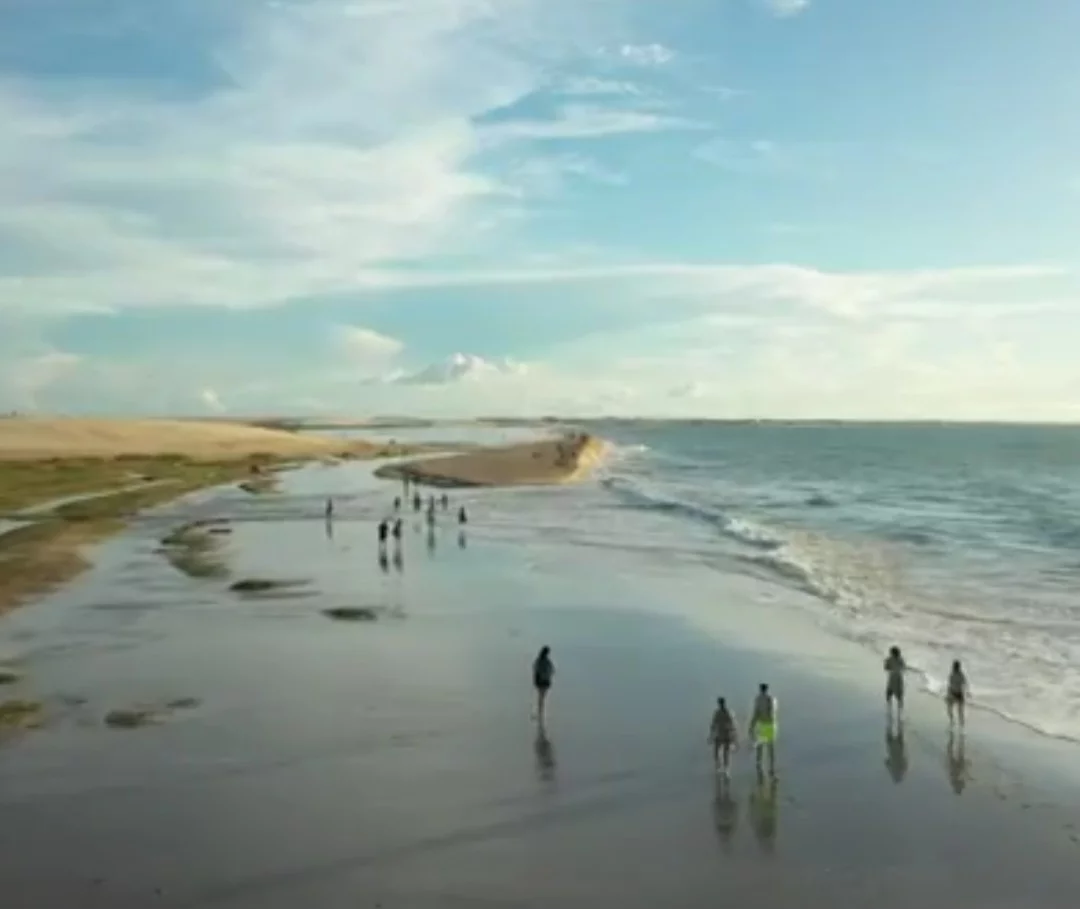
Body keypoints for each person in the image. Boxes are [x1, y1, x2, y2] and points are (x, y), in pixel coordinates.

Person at [748, 683, 777, 778]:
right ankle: (771, 768)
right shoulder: (771, 699)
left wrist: (751, 725)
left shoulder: (758, 699)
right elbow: (772, 713)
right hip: (769, 724)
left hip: (761, 724)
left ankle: (759, 765)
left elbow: (755, 713)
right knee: (770, 747)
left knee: (760, 747)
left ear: (760, 689)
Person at [708, 697, 738, 775]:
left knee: (725, 753)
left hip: (726, 734)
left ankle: (726, 768)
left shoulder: (727, 712)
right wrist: (711, 735)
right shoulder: (718, 712)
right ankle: (720, 767)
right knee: (717, 752)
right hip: (720, 734)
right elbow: (713, 725)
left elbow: (732, 725)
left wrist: (734, 737)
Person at [532, 646, 554, 724]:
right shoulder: (547, 662)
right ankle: (541, 713)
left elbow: (535, 670)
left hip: (540, 681)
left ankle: (540, 712)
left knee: (540, 697)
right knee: (542, 697)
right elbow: (551, 671)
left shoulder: (538, 660)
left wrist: (535, 680)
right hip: (545, 681)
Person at [884, 645, 907, 718]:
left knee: (889, 694)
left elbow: (886, 668)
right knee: (900, 695)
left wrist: (888, 665)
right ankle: (900, 711)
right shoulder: (900, 659)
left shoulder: (889, 659)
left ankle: (889, 709)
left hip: (892, 677)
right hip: (899, 678)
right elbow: (903, 668)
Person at [946, 660, 968, 727]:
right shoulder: (952, 674)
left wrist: (965, 692)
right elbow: (950, 685)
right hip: (953, 693)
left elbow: (964, 683)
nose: (954, 668)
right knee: (950, 709)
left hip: (958, 693)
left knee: (960, 711)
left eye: (955, 666)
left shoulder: (960, 675)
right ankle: (952, 721)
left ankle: (961, 724)